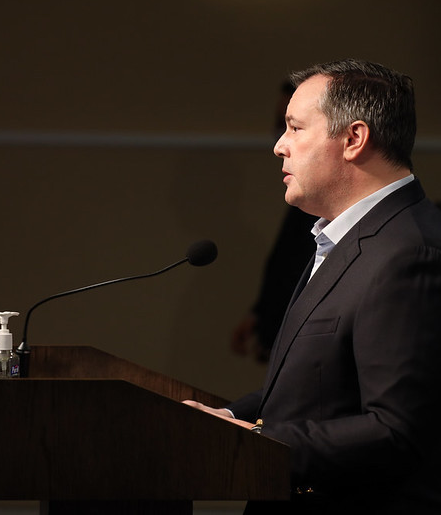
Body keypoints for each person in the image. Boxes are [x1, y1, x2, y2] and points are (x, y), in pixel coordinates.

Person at [185, 59, 441, 514]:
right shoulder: (348, 235)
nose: (280, 146)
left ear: (353, 140)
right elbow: (315, 386)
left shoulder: (409, 253)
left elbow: (397, 430)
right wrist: (229, 418)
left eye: (295, 128)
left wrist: (260, 442)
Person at [231, 81, 317, 362]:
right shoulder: (305, 200)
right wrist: (262, 315)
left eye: (293, 128)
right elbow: (288, 262)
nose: (279, 145)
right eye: (280, 126)